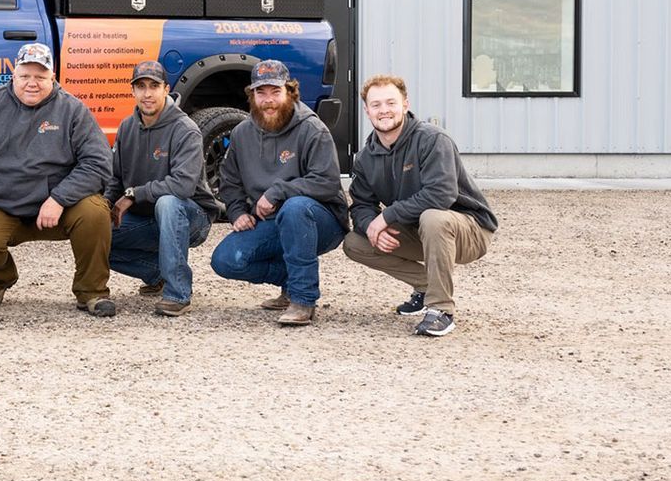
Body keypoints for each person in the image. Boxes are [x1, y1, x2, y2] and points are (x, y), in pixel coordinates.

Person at [0, 42, 118, 317]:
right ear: (13, 75)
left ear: (52, 76)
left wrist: (59, 198)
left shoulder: (73, 110)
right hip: (0, 205)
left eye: (40, 77)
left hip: (57, 209)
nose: (32, 83)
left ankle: (92, 292)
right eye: (25, 76)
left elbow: (99, 163)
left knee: (95, 212)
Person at [342, 74, 498, 337]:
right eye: (376, 105)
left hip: (468, 230)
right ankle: (428, 286)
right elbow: (361, 205)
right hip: (419, 230)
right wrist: (371, 225)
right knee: (355, 243)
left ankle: (440, 310)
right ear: (367, 110)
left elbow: (441, 194)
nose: (384, 111)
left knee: (433, 218)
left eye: (391, 102)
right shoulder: (366, 157)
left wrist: (388, 216)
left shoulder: (432, 139)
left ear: (405, 104)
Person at [208, 60, 350, 327]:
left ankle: (303, 299)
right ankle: (291, 278)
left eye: (276, 91)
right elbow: (229, 180)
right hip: (272, 221)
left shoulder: (312, 129)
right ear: (252, 96)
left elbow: (328, 183)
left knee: (295, 207)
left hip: (321, 221)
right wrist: (238, 212)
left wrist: (278, 191)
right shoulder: (241, 133)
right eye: (261, 93)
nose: (268, 100)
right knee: (226, 260)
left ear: (290, 92)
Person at [105, 60, 217, 317]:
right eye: (141, 86)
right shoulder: (126, 126)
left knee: (168, 202)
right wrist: (103, 207)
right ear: (132, 91)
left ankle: (178, 293)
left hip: (190, 216)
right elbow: (115, 179)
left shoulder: (185, 129)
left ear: (166, 89)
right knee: (94, 235)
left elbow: (183, 185)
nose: (147, 93)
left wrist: (134, 195)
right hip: (146, 217)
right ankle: (157, 273)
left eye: (154, 86)